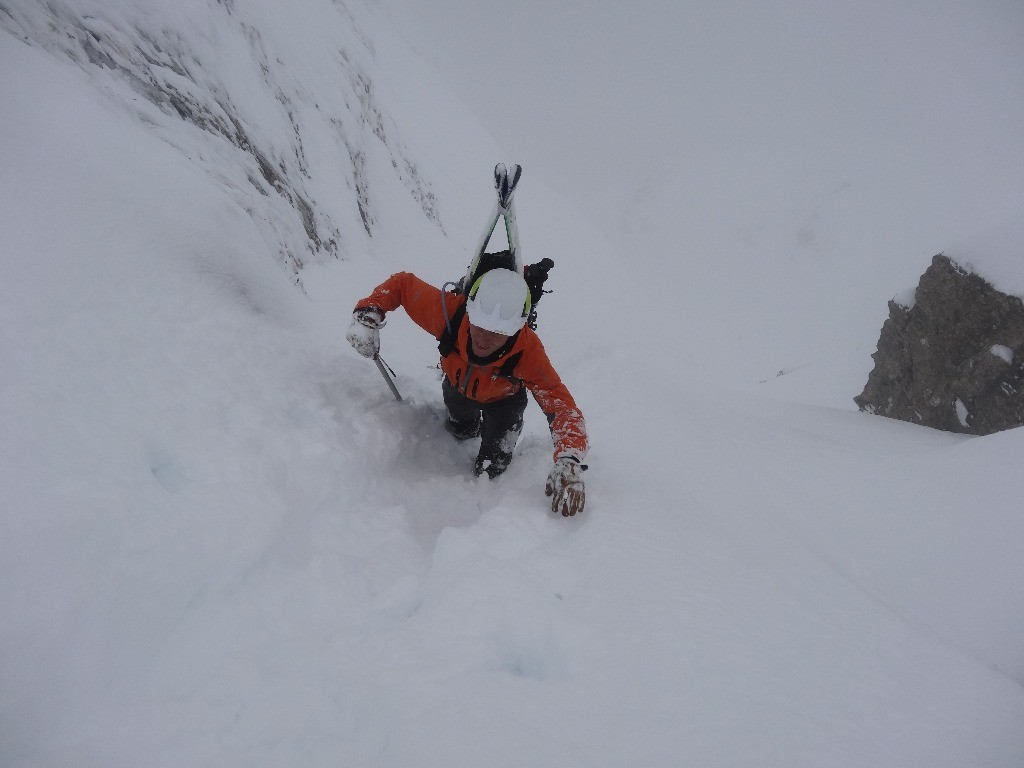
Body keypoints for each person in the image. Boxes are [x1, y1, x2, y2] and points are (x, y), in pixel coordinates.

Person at [346, 266, 588, 516]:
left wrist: (569, 458)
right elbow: (403, 285)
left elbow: (562, 407)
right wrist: (369, 312)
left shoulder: (528, 352)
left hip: (504, 402)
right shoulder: (452, 313)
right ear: (470, 311)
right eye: (479, 325)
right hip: (458, 387)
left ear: (516, 328)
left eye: (497, 333)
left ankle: (487, 474)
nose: (483, 338)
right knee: (460, 430)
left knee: (493, 467)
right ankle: (467, 431)